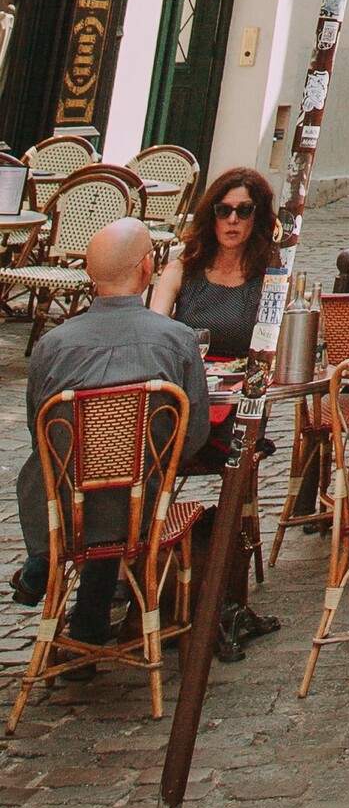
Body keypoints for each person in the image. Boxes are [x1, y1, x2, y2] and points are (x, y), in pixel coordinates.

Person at [11, 220, 210, 643]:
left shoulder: (52, 345)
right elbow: (191, 437)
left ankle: (53, 574)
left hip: (62, 512)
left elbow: (39, 431)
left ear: (88, 273)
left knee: (91, 486)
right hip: (141, 507)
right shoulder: (176, 340)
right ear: (146, 269)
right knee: (128, 487)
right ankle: (98, 615)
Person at [152, 168, 278, 357]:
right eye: (223, 210)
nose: (232, 220)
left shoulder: (272, 278)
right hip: (187, 378)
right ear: (211, 216)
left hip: (242, 380)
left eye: (244, 211)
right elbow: (155, 334)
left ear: (258, 216)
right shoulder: (180, 270)